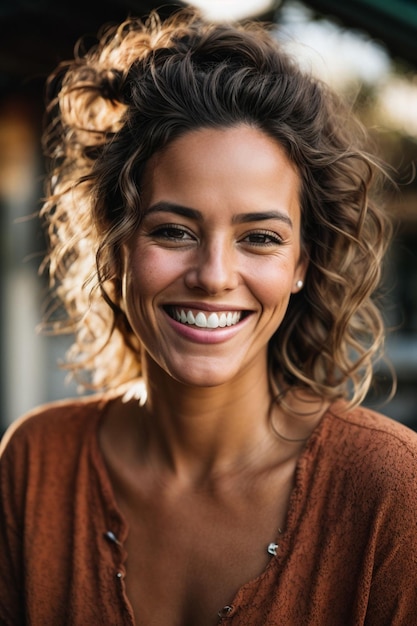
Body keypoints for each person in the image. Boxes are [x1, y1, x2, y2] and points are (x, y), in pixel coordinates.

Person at [1, 7, 417, 626]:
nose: (215, 274)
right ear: (118, 249)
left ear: (304, 262)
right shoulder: (36, 463)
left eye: (261, 238)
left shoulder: (390, 490)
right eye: (174, 230)